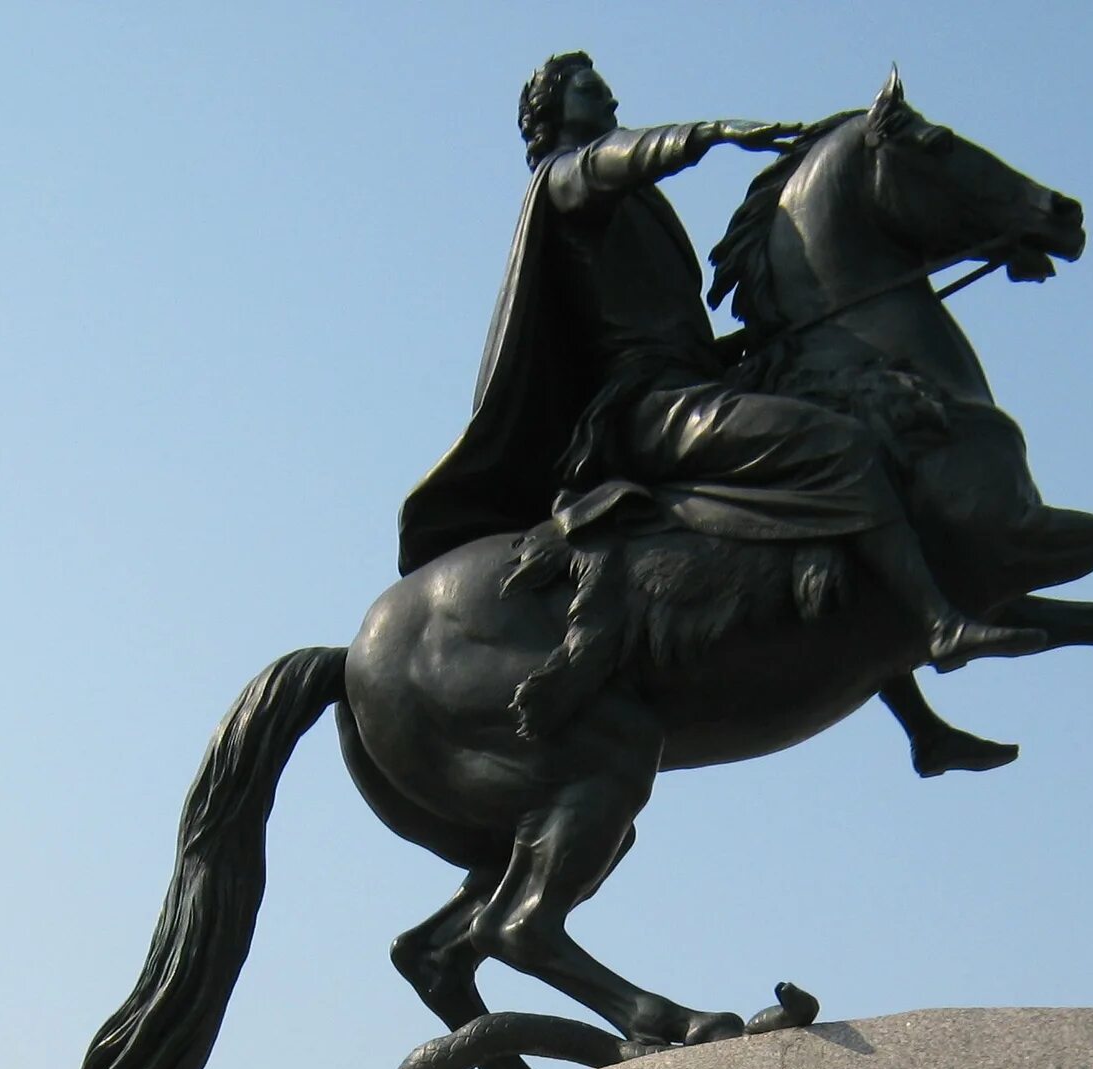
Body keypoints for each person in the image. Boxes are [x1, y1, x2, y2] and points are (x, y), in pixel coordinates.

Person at [399, 53, 1044, 674]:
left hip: (685, 383)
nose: (611, 99)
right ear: (554, 111)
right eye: (592, 91)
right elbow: (608, 166)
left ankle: (919, 722)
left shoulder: (632, 203)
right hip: (649, 408)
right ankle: (938, 625)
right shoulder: (565, 178)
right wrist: (707, 134)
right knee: (837, 445)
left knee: (827, 435)